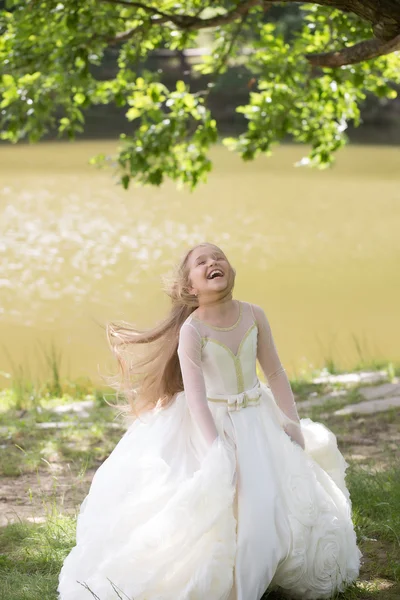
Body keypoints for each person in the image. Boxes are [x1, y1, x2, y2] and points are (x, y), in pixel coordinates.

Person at [58, 242, 362, 600]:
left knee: (275, 493)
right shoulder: (192, 331)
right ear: (190, 287)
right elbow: (198, 398)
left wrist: (291, 422)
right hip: (214, 422)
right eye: (200, 262)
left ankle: (274, 560)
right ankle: (238, 572)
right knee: (231, 498)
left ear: (230, 271)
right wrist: (216, 448)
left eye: (218, 257)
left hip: (257, 416)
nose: (212, 262)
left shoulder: (253, 314)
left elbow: (275, 372)